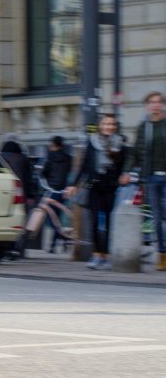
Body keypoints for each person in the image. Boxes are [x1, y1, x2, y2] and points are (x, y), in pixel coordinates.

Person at [68, 114, 127, 271]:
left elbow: (124, 167)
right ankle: (96, 255)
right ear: (100, 126)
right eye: (105, 124)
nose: (109, 126)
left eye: (111, 124)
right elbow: (85, 167)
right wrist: (74, 184)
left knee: (107, 223)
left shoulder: (121, 143)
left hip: (111, 188)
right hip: (94, 187)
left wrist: (124, 175)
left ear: (115, 126)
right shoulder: (92, 142)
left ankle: (106, 256)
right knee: (94, 221)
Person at [120, 91, 166, 271]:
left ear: (162, 104)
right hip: (152, 178)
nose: (155, 105)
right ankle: (162, 254)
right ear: (147, 105)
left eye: (158, 102)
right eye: (151, 102)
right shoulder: (143, 127)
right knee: (157, 217)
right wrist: (127, 172)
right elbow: (135, 154)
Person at [0, 139, 38, 259]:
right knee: (21, 224)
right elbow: (30, 179)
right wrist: (31, 196)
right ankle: (18, 250)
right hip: (22, 195)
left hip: (4, 194)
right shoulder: (23, 159)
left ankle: (6, 249)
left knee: (5, 222)